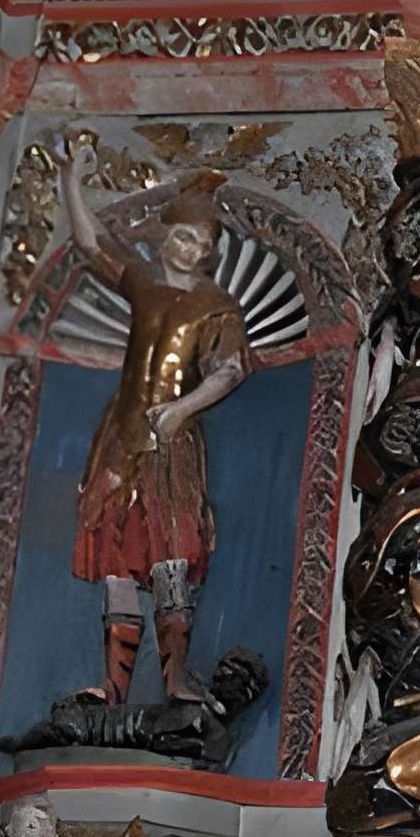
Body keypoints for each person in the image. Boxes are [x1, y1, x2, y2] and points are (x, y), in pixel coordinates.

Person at [60, 146, 253, 704]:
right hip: (120, 437)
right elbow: (91, 242)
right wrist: (73, 179)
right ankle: (113, 689)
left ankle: (175, 681)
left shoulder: (216, 306)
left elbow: (230, 369)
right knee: (117, 563)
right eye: (187, 238)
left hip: (171, 442)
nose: (193, 251)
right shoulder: (143, 283)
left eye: (204, 246)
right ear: (167, 235)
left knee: (170, 559)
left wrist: (180, 410)